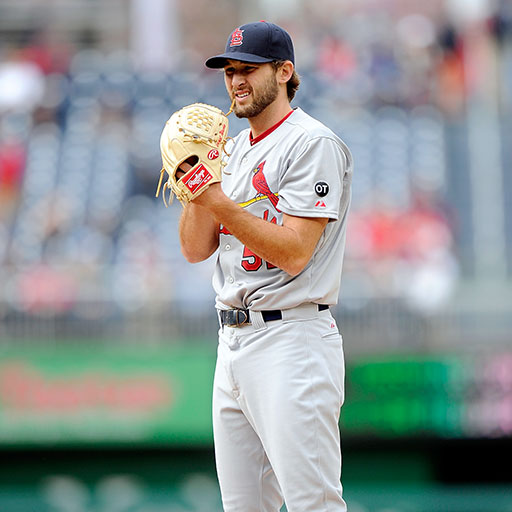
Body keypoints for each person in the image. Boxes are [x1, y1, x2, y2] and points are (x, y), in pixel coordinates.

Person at [178, 21, 353, 512]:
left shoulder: (311, 142)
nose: (237, 81)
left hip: (292, 340)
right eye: (230, 71)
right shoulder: (229, 151)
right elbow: (195, 250)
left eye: (249, 70)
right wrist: (198, 182)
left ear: (284, 72)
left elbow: (296, 252)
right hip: (232, 342)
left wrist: (222, 203)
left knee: (312, 503)